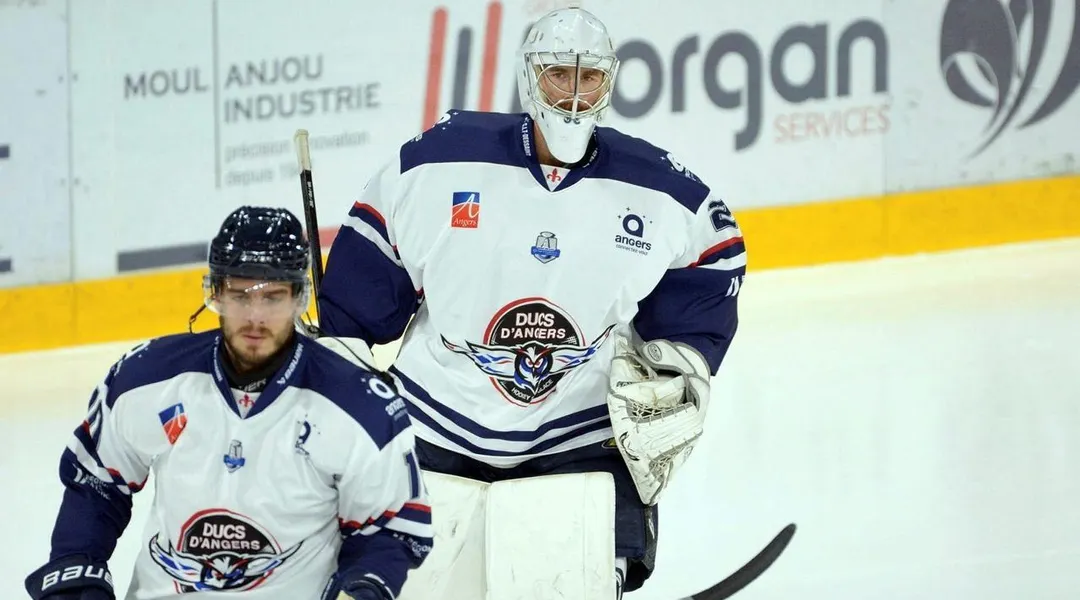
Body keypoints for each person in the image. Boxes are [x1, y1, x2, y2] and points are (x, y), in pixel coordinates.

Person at [316, 6, 745, 597]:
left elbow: (713, 254)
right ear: (528, 76)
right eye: (557, 74)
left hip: (577, 432)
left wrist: (681, 362)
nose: (573, 93)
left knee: (589, 573)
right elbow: (370, 256)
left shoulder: (657, 189)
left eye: (588, 76)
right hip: (438, 421)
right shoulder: (436, 164)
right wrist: (342, 353)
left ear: (609, 81)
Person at [24, 207, 432, 600]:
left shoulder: (358, 406)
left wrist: (362, 588)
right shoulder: (146, 380)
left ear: (298, 298)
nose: (255, 317)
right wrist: (76, 577)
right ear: (215, 293)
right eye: (239, 296)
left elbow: (390, 526)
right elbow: (96, 483)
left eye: (272, 297)